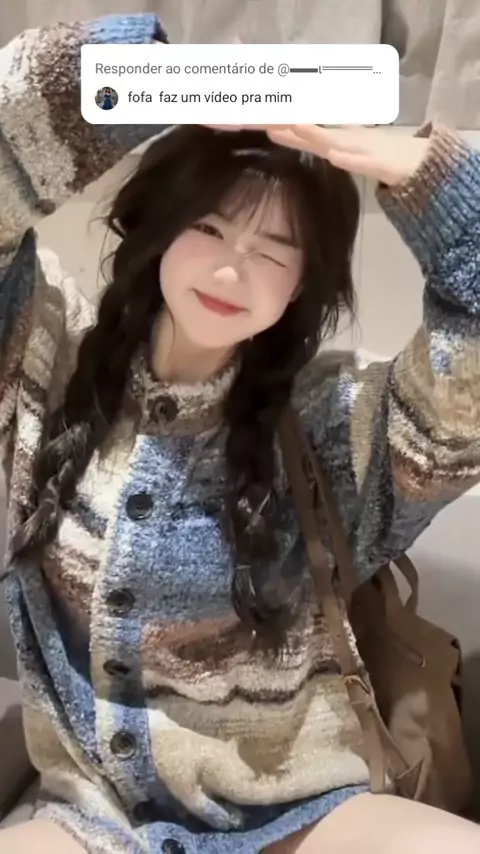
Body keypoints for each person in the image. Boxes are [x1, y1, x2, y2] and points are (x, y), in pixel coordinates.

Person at [0, 12, 479, 854]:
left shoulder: (339, 429)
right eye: (210, 227)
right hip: (93, 818)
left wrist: (430, 176)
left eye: (275, 248)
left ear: (303, 283)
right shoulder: (43, 367)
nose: (232, 268)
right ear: (158, 227)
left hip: (298, 814)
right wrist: (138, 81)